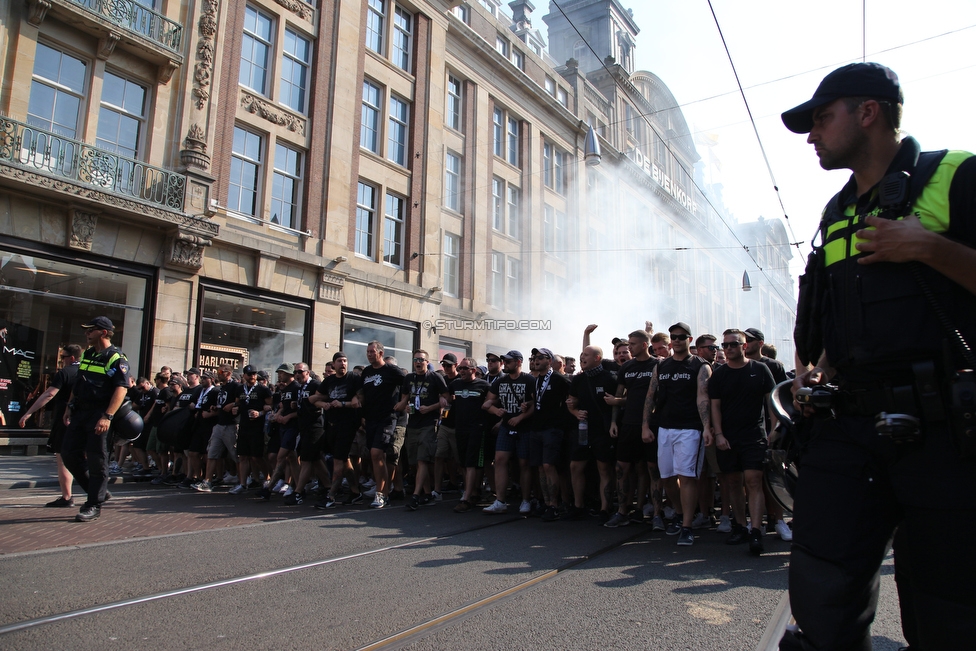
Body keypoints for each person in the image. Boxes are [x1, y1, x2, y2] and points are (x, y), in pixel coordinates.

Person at [780, 62, 976, 651]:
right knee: (821, 596)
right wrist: (817, 370)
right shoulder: (835, 211)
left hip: (946, 431)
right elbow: (837, 315)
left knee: (951, 609)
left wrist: (928, 247)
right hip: (849, 426)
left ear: (868, 113)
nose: (811, 135)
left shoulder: (957, 175)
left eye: (821, 118)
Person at [641, 322, 712, 546]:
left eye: (682, 337)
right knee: (667, 477)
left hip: (691, 429)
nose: (678, 340)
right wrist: (645, 426)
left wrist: (707, 427)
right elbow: (650, 396)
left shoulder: (701, 366)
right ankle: (680, 514)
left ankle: (687, 526)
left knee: (687, 477)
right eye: (674, 337)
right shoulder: (662, 366)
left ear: (690, 340)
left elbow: (703, 398)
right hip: (665, 427)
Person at [708, 329, 775, 555]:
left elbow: (771, 402)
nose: (728, 349)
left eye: (733, 345)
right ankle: (740, 525)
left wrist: (774, 431)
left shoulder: (760, 369)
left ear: (744, 346)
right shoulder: (719, 374)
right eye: (724, 345)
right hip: (727, 436)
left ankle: (755, 530)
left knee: (754, 480)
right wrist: (718, 434)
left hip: (754, 435)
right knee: (733, 482)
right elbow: (714, 406)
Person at [61, 317, 132, 522]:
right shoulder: (89, 353)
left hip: (99, 414)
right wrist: (69, 406)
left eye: (90, 330)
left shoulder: (116, 357)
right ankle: (98, 492)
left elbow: (121, 388)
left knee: (97, 459)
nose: (86, 333)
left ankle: (94, 504)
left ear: (103, 332)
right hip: (80, 412)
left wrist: (107, 416)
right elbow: (79, 382)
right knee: (68, 453)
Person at [19, 344, 81, 506]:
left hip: (64, 420)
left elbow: (49, 394)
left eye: (63, 357)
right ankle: (98, 492)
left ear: (72, 358)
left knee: (62, 458)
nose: (61, 360)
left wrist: (29, 412)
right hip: (83, 419)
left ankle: (67, 497)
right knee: (83, 457)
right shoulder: (87, 372)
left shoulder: (65, 373)